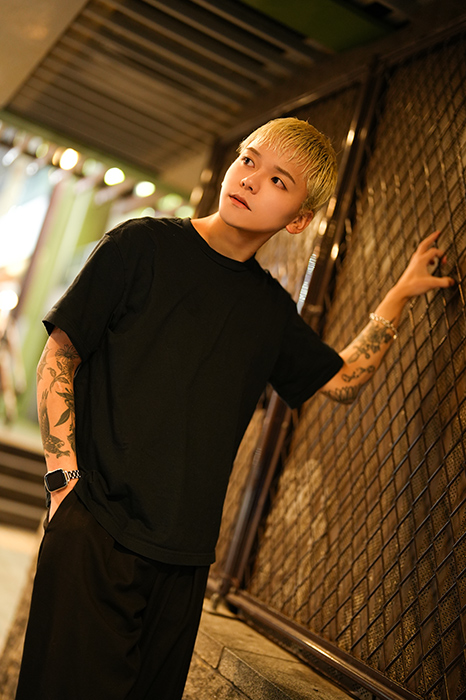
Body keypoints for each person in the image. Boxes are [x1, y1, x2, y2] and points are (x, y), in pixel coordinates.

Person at [15, 117, 455, 700]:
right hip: (93, 527)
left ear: (298, 219)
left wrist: (397, 295)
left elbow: (344, 380)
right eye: (248, 159)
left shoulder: (268, 311)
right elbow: (59, 356)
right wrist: (62, 482)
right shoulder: (139, 246)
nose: (249, 179)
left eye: (278, 180)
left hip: (183, 560)